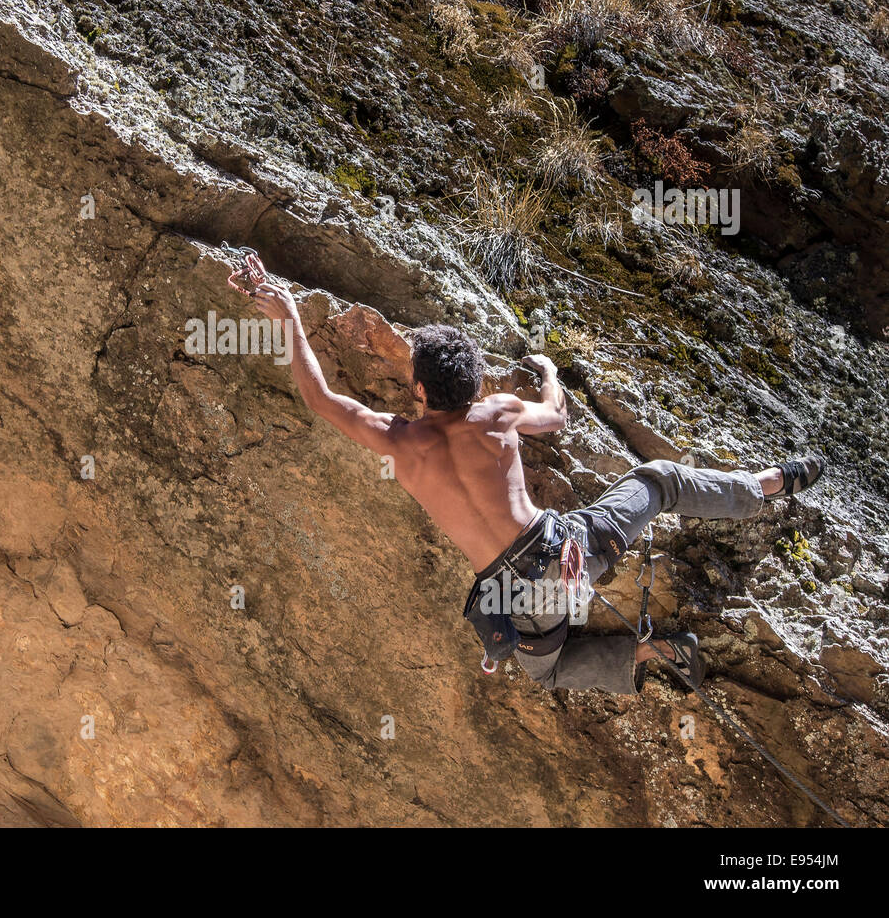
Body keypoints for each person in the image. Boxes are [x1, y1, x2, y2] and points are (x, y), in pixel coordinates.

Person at [239, 260, 824, 694]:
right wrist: (548, 371)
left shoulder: (401, 443)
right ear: (473, 383)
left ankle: (653, 653)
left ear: (419, 390)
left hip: (517, 600)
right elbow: (558, 415)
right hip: (568, 551)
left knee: (545, 671)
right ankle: (767, 484)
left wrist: (289, 313)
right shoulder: (496, 413)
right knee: (661, 481)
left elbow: (320, 397)